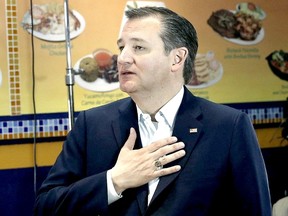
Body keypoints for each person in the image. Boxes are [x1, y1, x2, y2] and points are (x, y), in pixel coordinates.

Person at [34, 6, 272, 216]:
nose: (123, 57)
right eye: (122, 47)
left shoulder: (228, 126)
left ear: (177, 58)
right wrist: (114, 182)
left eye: (138, 47)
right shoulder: (92, 124)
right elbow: (45, 207)